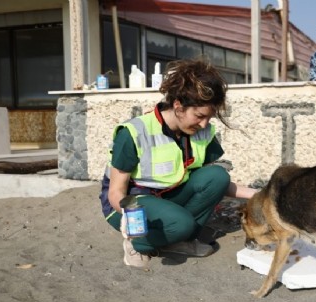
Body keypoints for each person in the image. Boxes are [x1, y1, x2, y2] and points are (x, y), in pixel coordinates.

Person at [99, 59, 257, 268]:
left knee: (218, 176)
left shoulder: (201, 132)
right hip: (131, 205)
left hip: (169, 197)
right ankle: (138, 243)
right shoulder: (134, 132)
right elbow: (115, 193)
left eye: (208, 118)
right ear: (178, 106)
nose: (204, 124)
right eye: (199, 116)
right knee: (180, 223)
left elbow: (212, 184)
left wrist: (259, 194)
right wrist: (132, 221)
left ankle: (179, 238)